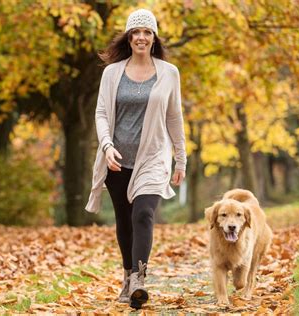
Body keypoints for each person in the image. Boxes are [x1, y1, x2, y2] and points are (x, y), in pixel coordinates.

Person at [85, 8, 186, 309]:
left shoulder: (169, 73)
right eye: (136, 33)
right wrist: (106, 146)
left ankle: (139, 279)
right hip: (117, 158)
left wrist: (180, 159)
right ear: (129, 38)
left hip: (154, 157)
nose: (141, 37)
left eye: (147, 32)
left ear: (154, 38)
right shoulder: (112, 73)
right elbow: (102, 113)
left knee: (143, 213)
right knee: (124, 221)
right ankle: (127, 276)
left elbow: (174, 116)